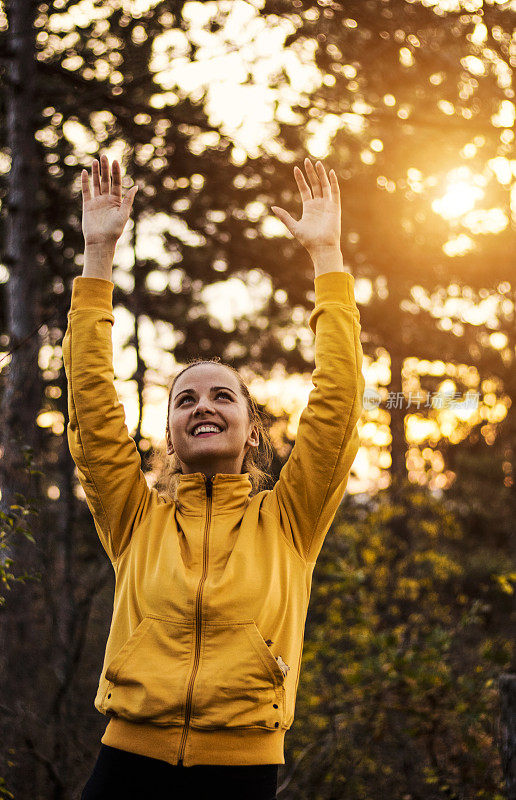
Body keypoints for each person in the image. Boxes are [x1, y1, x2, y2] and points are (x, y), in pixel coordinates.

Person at [63, 154, 364, 800]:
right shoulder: (134, 518)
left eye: (223, 397)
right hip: (125, 764)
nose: (203, 405)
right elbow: (90, 403)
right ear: (169, 436)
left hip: (243, 772)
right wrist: (97, 256)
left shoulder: (289, 519)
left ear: (253, 431)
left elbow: (339, 399)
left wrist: (327, 260)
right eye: (185, 400)